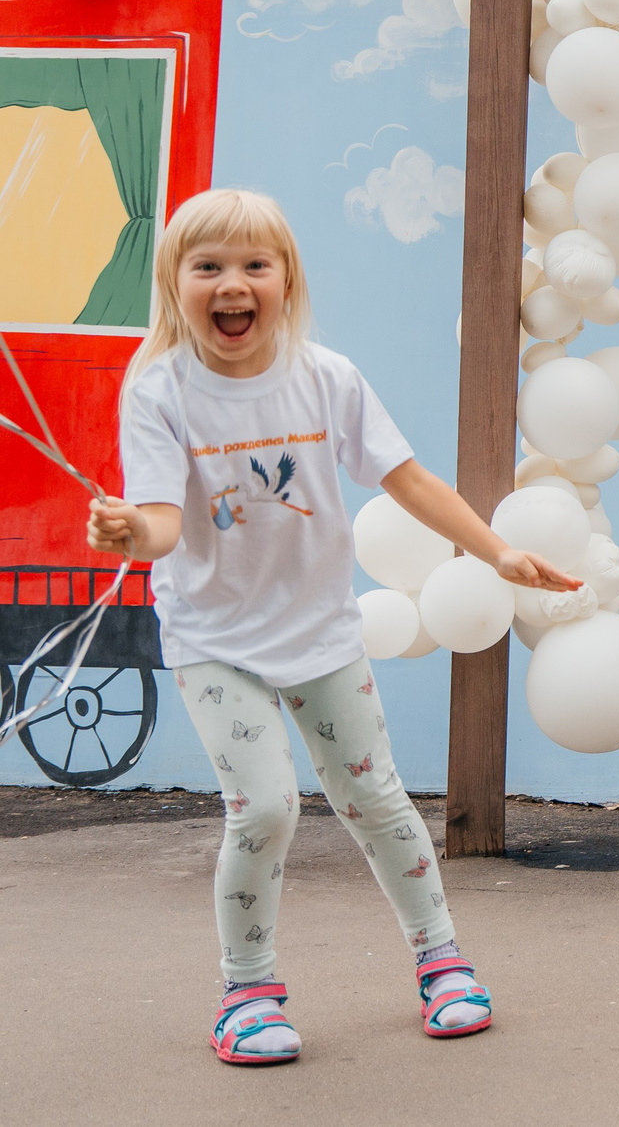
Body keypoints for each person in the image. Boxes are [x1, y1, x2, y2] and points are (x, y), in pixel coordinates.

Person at [84, 188, 583, 1065]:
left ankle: (443, 962)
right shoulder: (158, 388)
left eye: (252, 265)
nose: (231, 284)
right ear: (175, 284)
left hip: (318, 631)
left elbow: (410, 480)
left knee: (376, 799)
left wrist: (496, 552)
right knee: (266, 807)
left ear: (285, 281)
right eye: (208, 268)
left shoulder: (328, 378)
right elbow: (162, 522)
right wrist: (130, 530)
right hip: (213, 639)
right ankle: (246, 991)